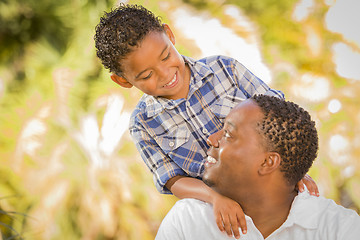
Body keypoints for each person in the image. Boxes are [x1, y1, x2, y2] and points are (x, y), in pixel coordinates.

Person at [94, 4, 319, 238]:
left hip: (271, 197)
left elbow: (280, 122)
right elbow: (173, 179)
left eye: (166, 56)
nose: (165, 74)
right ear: (122, 80)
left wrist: (292, 172)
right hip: (221, 218)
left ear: (169, 35)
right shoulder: (143, 124)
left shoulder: (226, 69)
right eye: (147, 75)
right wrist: (215, 198)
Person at [156, 94, 360, 240]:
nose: (211, 139)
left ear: (267, 162)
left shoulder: (341, 229)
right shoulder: (188, 221)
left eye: (228, 134)